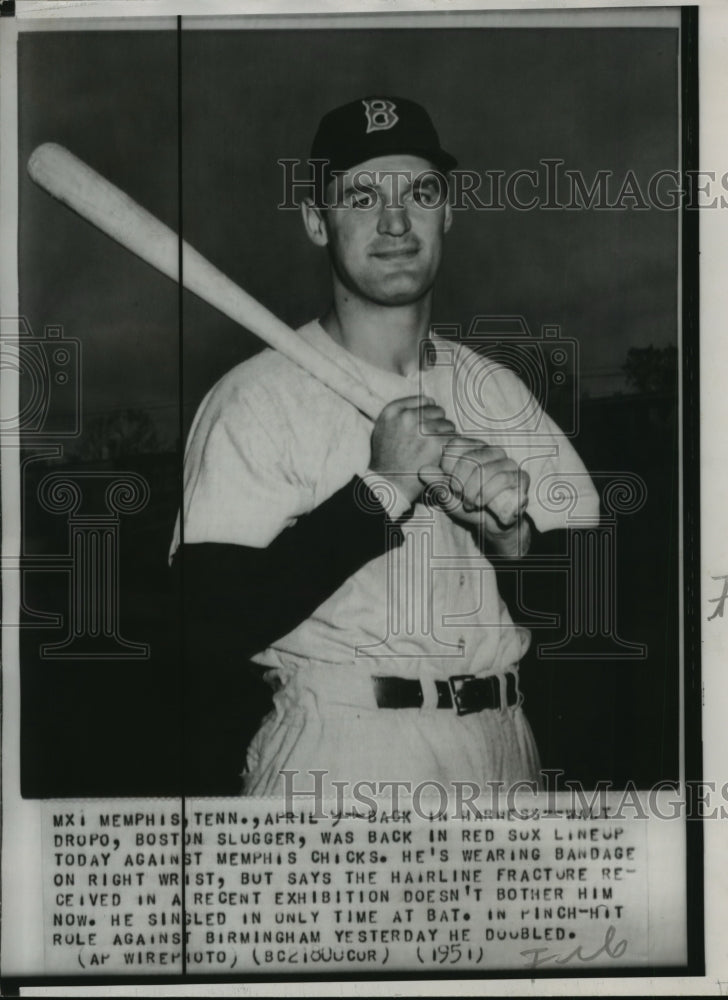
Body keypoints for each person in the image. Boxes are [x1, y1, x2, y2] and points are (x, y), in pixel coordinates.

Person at [171, 96, 599, 797]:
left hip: (506, 746)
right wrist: (382, 490)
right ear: (318, 222)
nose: (395, 222)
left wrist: (509, 536)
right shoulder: (256, 398)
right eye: (362, 196)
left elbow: (597, 598)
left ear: (448, 212)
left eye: (420, 193)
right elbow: (205, 625)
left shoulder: (492, 388)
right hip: (349, 750)